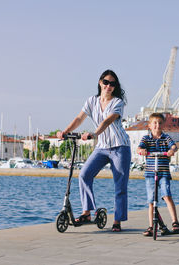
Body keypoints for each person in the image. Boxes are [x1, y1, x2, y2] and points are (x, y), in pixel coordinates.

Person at [57, 69, 131, 232]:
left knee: (119, 186)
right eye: (106, 82)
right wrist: (65, 132)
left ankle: (117, 220)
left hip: (120, 147)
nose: (108, 86)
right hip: (102, 148)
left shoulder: (118, 102)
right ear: (100, 82)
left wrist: (93, 134)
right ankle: (87, 212)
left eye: (112, 84)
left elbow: (107, 121)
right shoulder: (91, 101)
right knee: (84, 174)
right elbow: (79, 118)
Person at [137, 113, 179, 236]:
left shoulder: (166, 138)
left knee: (167, 196)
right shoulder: (146, 139)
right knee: (151, 201)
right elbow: (139, 148)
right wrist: (142, 151)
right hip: (150, 174)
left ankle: (175, 222)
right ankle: (151, 226)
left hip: (163, 173)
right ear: (150, 125)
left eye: (160, 123)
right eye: (154, 123)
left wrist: (172, 150)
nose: (157, 125)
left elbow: (174, 146)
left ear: (163, 125)